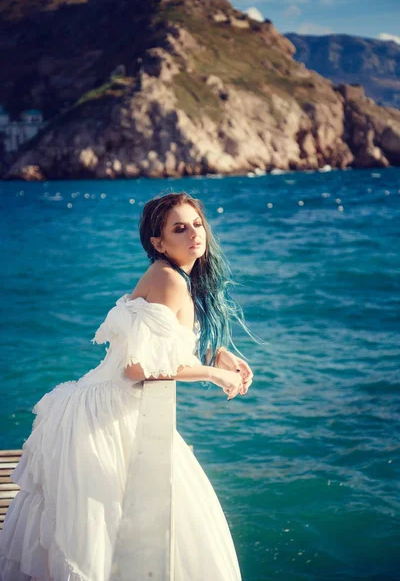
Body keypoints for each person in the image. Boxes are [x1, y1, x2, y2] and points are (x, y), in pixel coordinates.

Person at [0, 191, 255, 581]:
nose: (194, 234)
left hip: (106, 406)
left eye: (197, 224)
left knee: (123, 522)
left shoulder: (176, 277)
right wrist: (212, 374)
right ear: (158, 242)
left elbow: (166, 338)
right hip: (107, 414)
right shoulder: (167, 277)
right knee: (108, 528)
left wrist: (216, 352)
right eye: (179, 228)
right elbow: (138, 367)